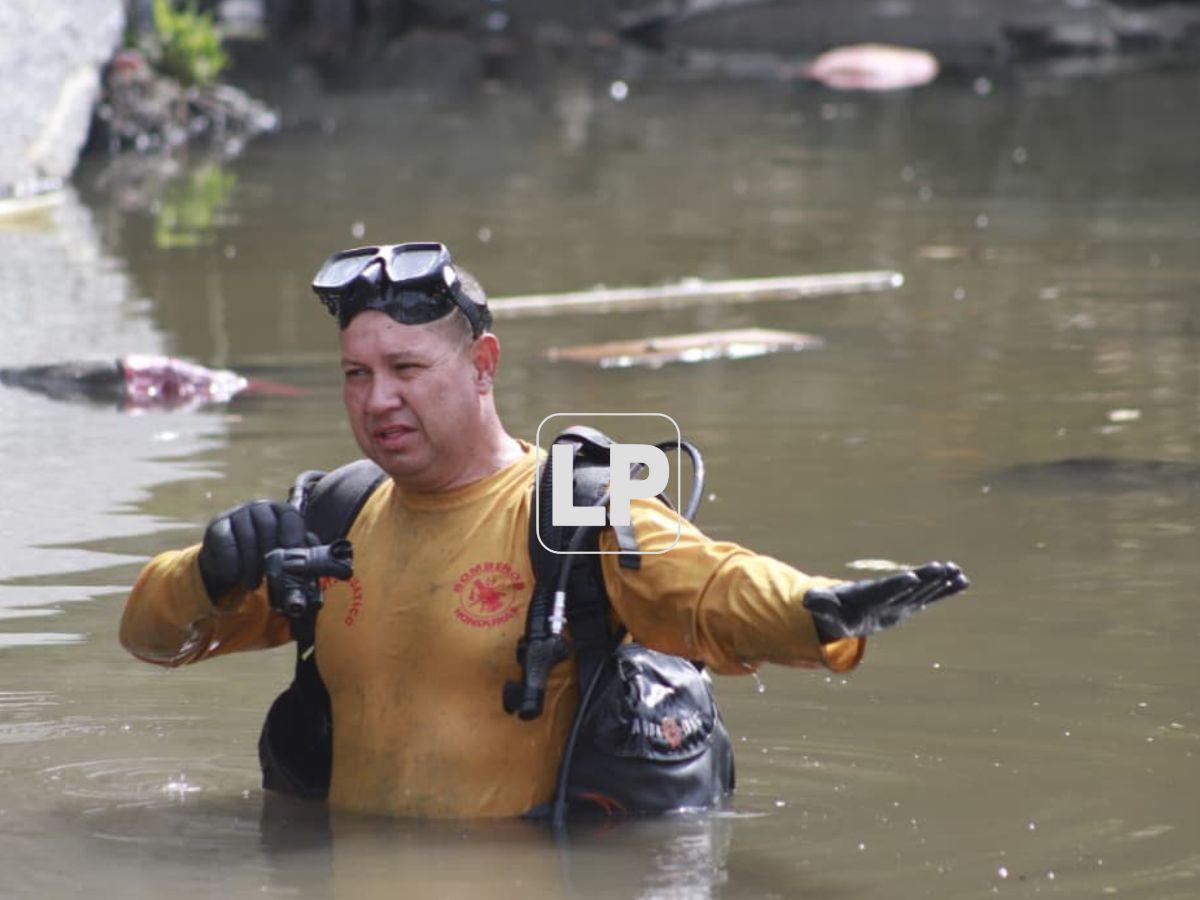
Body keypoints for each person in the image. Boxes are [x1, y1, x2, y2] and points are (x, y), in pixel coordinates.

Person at [119, 241, 968, 819]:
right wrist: (207, 571)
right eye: (356, 373)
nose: (378, 400)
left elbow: (710, 585)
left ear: (482, 366)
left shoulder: (575, 506)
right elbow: (149, 636)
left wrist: (822, 612)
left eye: (407, 368)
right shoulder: (335, 514)